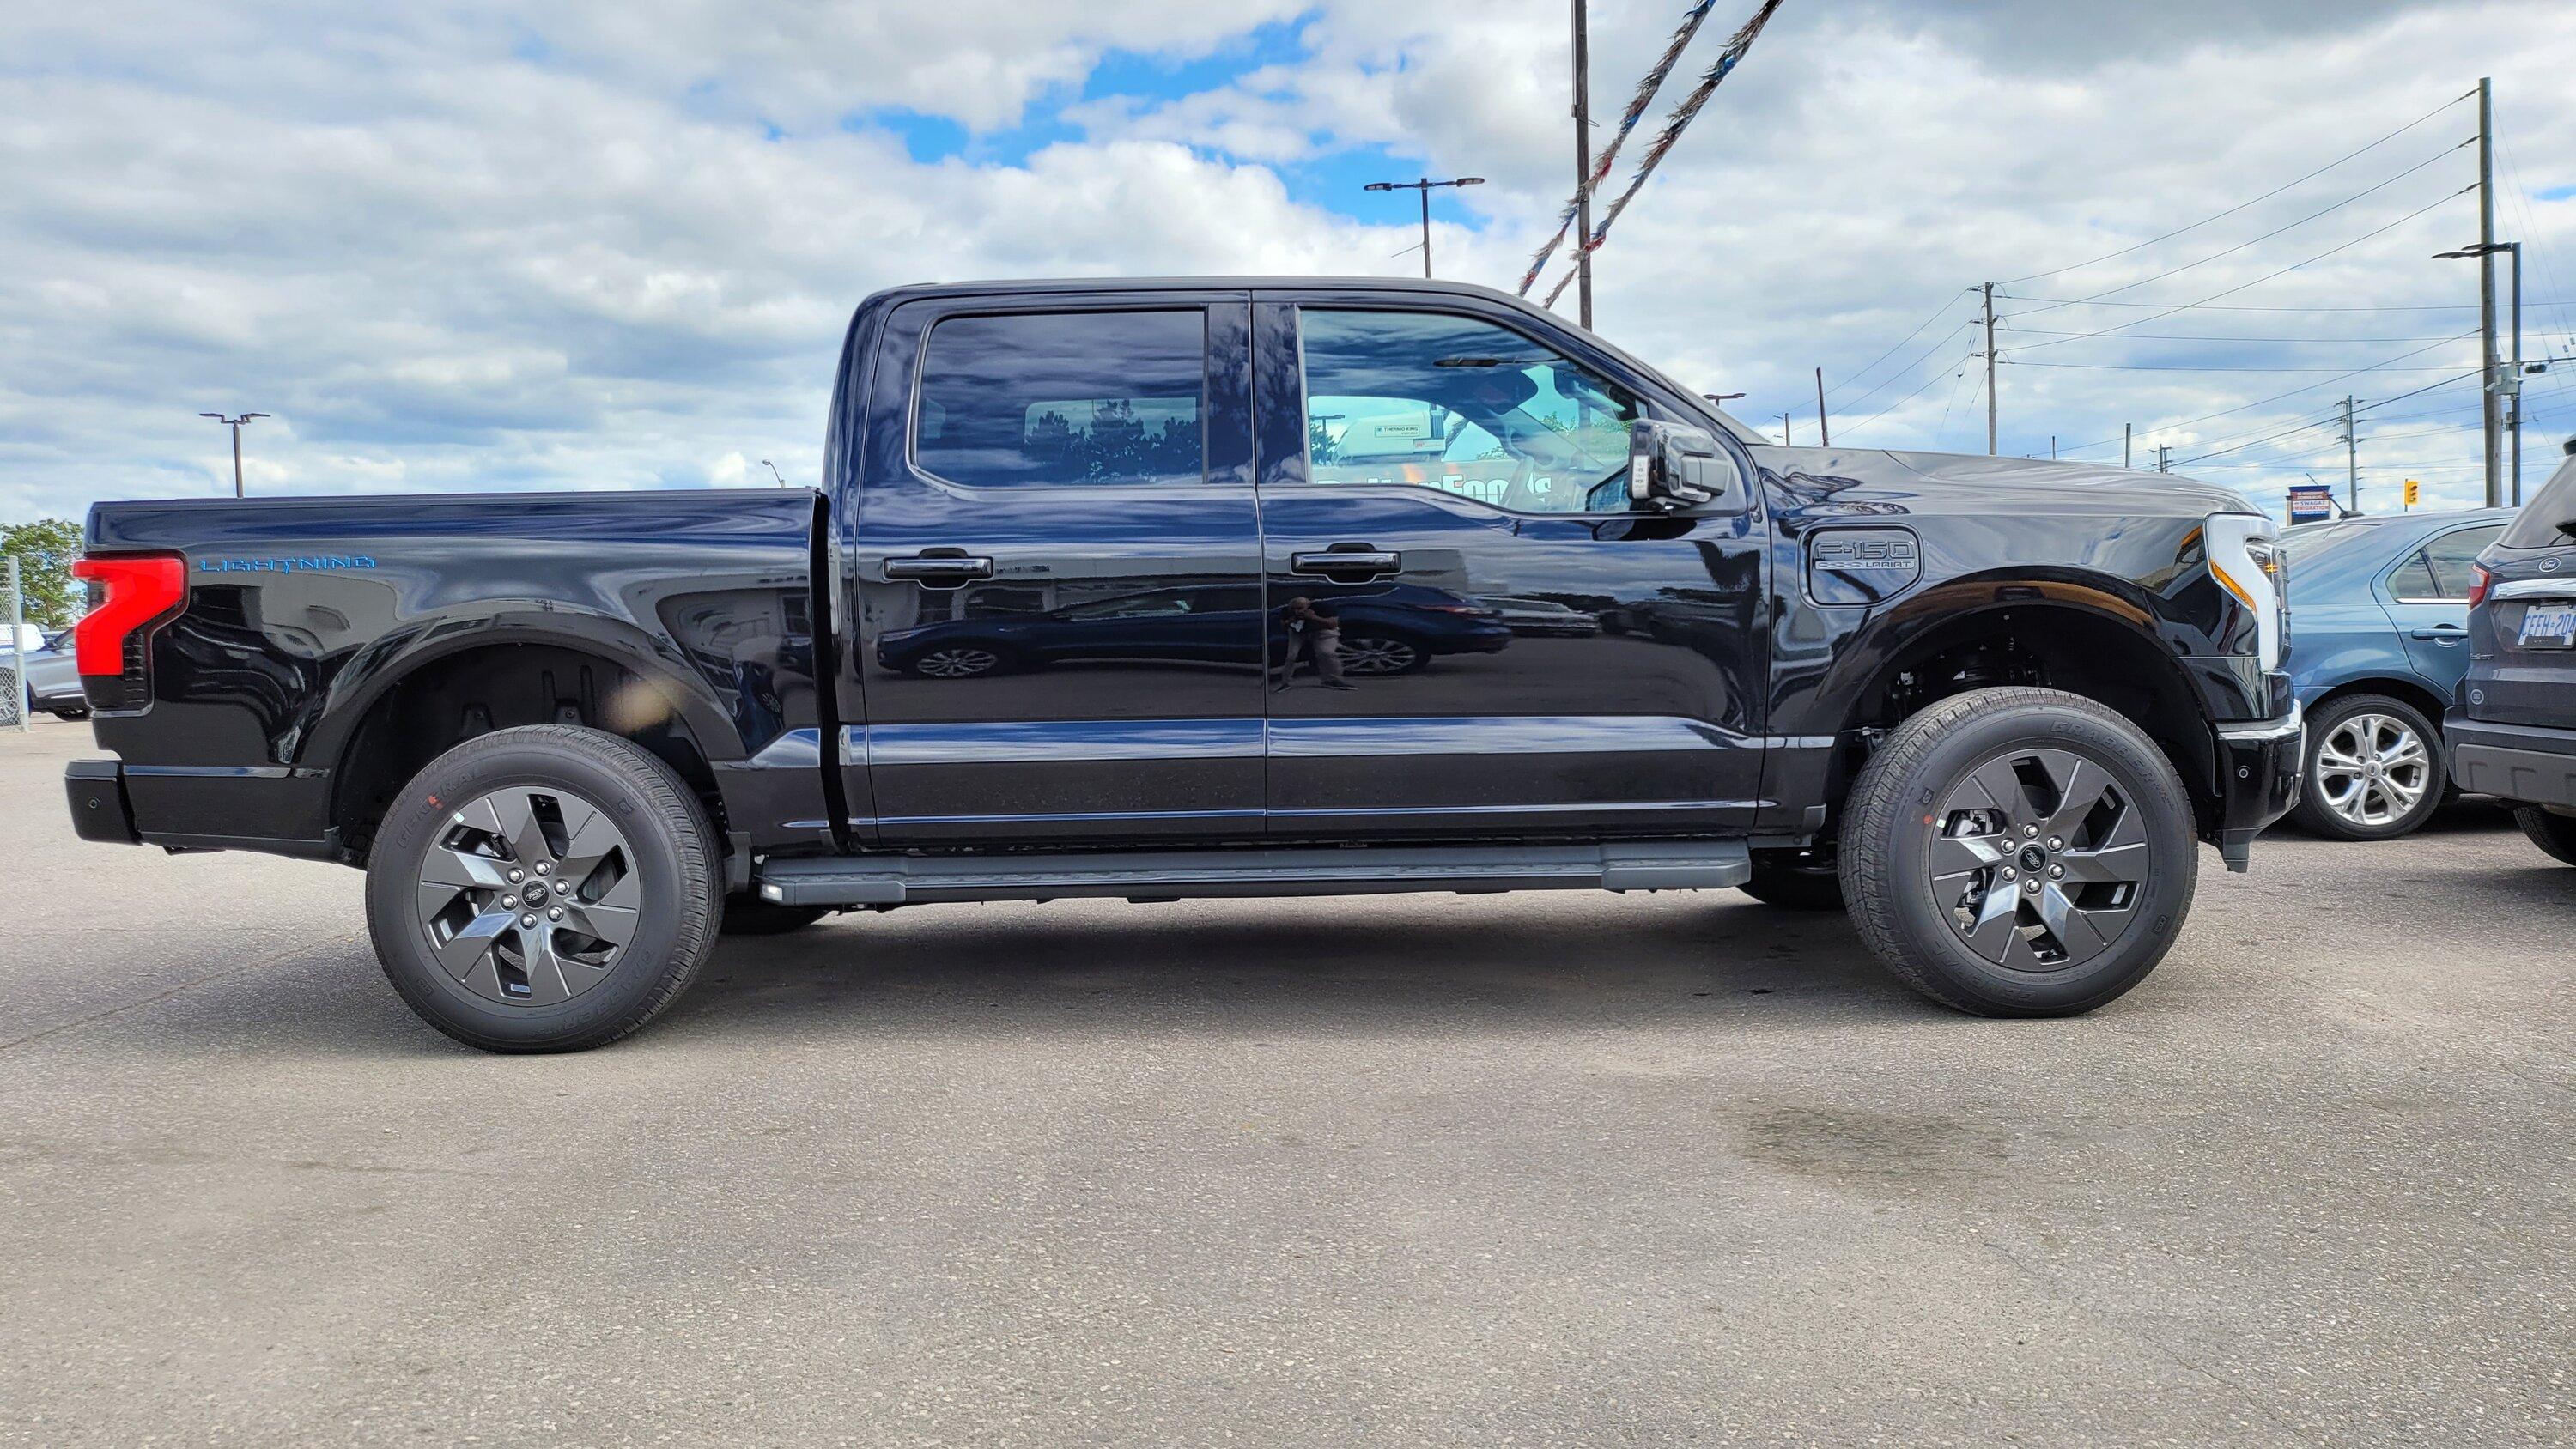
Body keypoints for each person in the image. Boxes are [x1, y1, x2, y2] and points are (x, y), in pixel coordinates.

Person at [1278, 596, 1353, 690]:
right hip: (1299, 632)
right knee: (1291, 656)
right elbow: (1283, 625)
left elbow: (1333, 624)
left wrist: (1314, 617)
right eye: (1293, 609)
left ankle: (1333, 680)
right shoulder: (1286, 611)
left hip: (1322, 630)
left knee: (1326, 653)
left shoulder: (1322, 608)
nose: (1297, 612)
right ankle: (1285, 682)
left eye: (1300, 608)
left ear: (1308, 605)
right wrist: (1289, 622)